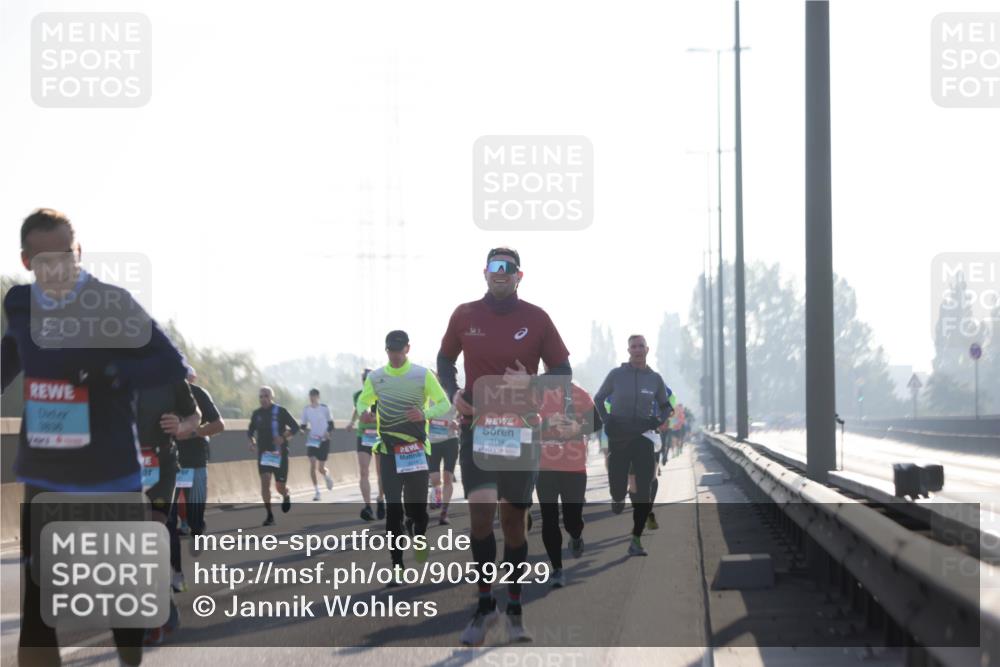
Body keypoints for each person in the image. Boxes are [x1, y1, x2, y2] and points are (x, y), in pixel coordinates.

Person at [2, 208, 190, 666]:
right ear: (27, 261)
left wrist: (110, 371)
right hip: (46, 470)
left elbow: (171, 364)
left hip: (110, 471)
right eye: (45, 261)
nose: (57, 269)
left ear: (78, 252)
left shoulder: (111, 302)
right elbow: (12, 353)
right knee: (39, 603)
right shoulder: (20, 304)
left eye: (65, 256)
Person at [437, 247, 571, 645]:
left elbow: (562, 373)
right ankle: (484, 606)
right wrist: (454, 392)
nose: (500, 272)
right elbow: (444, 361)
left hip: (521, 432)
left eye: (507, 267)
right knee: (480, 514)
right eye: (494, 267)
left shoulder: (537, 318)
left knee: (513, 524)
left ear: (519, 275)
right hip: (477, 428)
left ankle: (513, 607)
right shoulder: (464, 314)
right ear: (484, 273)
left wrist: (532, 384)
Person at [356, 330, 451, 582]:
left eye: (399, 350)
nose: (395, 355)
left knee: (418, 512)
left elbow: (444, 403)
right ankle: (397, 568)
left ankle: (417, 532)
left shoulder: (422, 375)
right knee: (393, 511)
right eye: (391, 350)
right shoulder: (376, 378)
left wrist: (424, 414)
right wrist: (365, 411)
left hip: (417, 451)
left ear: (407, 349)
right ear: (386, 350)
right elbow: (362, 402)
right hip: (388, 452)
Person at [594, 335, 674, 557]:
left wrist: (657, 421)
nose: (637, 350)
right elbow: (598, 398)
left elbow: (666, 406)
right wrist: (607, 420)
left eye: (641, 346)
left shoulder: (655, 379)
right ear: (628, 350)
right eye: (633, 347)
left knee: (645, 490)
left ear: (647, 349)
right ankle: (618, 496)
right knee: (618, 489)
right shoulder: (616, 375)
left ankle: (636, 539)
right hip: (620, 438)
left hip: (644, 438)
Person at [136, 380, 200, 645]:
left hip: (161, 465)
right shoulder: (107, 365)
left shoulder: (169, 372)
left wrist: (182, 426)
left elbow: (195, 415)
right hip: (122, 466)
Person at [536, 378, 600, 588]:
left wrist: (577, 428)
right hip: (544, 467)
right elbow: (522, 424)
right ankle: (557, 568)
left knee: (572, 519)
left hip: (574, 467)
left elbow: (597, 422)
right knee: (549, 518)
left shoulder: (577, 392)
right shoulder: (533, 392)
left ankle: (576, 534)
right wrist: (546, 423)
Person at [170, 370, 225, 564]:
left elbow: (219, 425)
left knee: (194, 515)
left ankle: (196, 528)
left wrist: (193, 433)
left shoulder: (198, 393)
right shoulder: (157, 393)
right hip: (167, 460)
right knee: (165, 514)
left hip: (194, 460)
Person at [247, 386, 299, 526]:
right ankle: (269, 515)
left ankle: (285, 494)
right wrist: (252, 442)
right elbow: (250, 430)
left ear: (272, 397)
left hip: (279, 454)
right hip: (264, 455)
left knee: (279, 486)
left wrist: (283, 437)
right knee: (265, 482)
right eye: (261, 396)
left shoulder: (280, 411)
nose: (263, 399)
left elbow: (295, 426)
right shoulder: (256, 414)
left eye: (266, 396)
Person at [347, 369, 385, 522]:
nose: (366, 381)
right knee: (364, 472)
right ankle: (368, 506)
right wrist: (352, 421)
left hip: (379, 435)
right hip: (364, 436)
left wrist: (375, 417)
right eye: (364, 379)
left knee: (381, 472)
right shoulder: (358, 395)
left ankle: (381, 499)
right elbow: (357, 409)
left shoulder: (381, 395)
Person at [427, 403, 459, 525]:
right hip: (432, 442)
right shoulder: (428, 394)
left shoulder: (452, 392)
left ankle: (444, 513)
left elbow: (461, 413)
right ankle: (436, 493)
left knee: (448, 478)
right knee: (435, 480)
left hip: (450, 440)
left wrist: (457, 421)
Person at [301, 388, 334, 500]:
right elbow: (303, 425)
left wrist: (327, 432)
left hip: (324, 440)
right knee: (312, 464)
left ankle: (327, 476)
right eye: (310, 396)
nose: (312, 398)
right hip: (312, 440)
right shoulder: (306, 410)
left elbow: (331, 424)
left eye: (314, 396)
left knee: (320, 468)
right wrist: (301, 430)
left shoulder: (324, 408)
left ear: (318, 397)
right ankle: (317, 492)